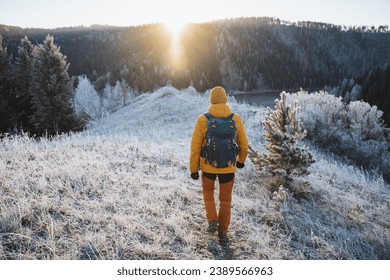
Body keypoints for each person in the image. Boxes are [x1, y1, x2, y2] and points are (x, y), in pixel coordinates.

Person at [189, 86, 249, 244]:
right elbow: (244, 145)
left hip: (208, 166)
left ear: (211, 100)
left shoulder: (203, 119)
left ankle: (212, 220)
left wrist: (194, 169)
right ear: (225, 99)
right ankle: (223, 231)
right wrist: (241, 161)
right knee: (226, 199)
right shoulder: (235, 118)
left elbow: (195, 147)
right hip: (228, 166)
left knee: (208, 192)